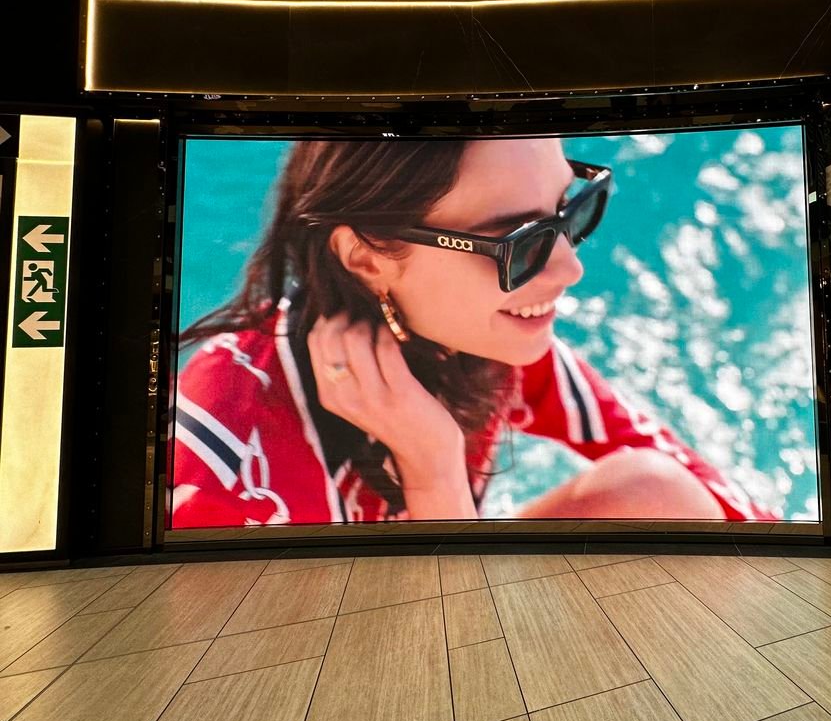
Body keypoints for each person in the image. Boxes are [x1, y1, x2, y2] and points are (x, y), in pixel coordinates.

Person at [170, 138, 776, 526]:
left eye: (570, 209)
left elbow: (711, 495)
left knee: (655, 495)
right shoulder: (225, 461)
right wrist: (434, 471)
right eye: (519, 243)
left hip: (449, 613)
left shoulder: (476, 336)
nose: (570, 269)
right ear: (366, 258)